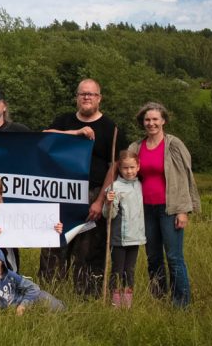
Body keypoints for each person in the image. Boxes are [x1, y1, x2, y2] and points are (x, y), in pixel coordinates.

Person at [39, 78, 127, 297]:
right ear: (77, 97)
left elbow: (114, 165)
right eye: (83, 94)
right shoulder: (64, 120)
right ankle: (49, 294)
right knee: (55, 244)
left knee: (87, 250)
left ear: (99, 98)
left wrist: (100, 200)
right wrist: (76, 133)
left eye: (91, 94)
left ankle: (85, 297)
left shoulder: (111, 128)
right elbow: (43, 136)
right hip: (60, 193)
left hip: (92, 194)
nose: (87, 97)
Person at [128, 102, 200, 307]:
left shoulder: (173, 144)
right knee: (153, 258)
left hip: (169, 209)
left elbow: (186, 176)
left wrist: (183, 210)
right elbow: (126, 171)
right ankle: (159, 297)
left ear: (163, 121)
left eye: (155, 119)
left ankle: (181, 303)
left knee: (174, 257)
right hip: (146, 210)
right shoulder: (137, 147)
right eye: (147, 120)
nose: (151, 123)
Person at [103, 150, 146, 308]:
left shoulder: (140, 185)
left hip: (136, 237)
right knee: (117, 270)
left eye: (132, 167)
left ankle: (126, 304)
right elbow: (109, 215)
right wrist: (109, 203)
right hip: (119, 239)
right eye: (125, 168)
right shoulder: (115, 188)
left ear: (138, 167)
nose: (129, 171)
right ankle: (115, 302)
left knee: (130, 271)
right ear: (119, 169)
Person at [0, 247, 66, 313]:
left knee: (56, 306)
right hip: (10, 311)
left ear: (2, 269)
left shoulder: (9, 275)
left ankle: (65, 308)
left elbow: (33, 288)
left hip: (28, 299)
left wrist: (23, 305)